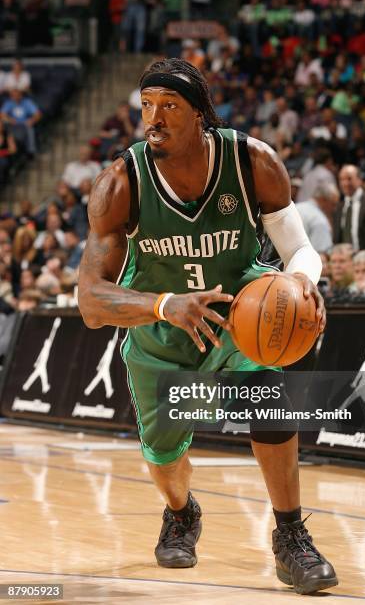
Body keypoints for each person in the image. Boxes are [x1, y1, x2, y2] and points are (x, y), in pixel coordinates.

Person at [78, 58, 337, 595]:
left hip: (243, 319)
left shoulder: (253, 162)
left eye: (168, 106)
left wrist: (303, 281)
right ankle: (181, 512)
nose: (154, 118)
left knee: (269, 396)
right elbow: (90, 300)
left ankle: (291, 535)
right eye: (147, 106)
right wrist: (165, 304)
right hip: (161, 338)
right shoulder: (119, 182)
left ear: (201, 115)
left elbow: (301, 250)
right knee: (167, 460)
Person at [296, 183, 339, 253]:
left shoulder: (295, 208)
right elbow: (322, 253)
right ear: (323, 200)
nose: (334, 209)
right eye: (333, 204)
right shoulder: (319, 220)